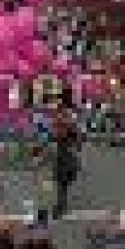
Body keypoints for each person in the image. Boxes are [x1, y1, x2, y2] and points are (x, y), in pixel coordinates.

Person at [51, 88, 82, 219]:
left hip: (64, 147)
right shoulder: (67, 113)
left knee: (62, 179)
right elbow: (74, 131)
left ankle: (61, 207)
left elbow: (67, 130)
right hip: (65, 147)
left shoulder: (65, 113)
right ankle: (61, 205)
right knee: (62, 179)